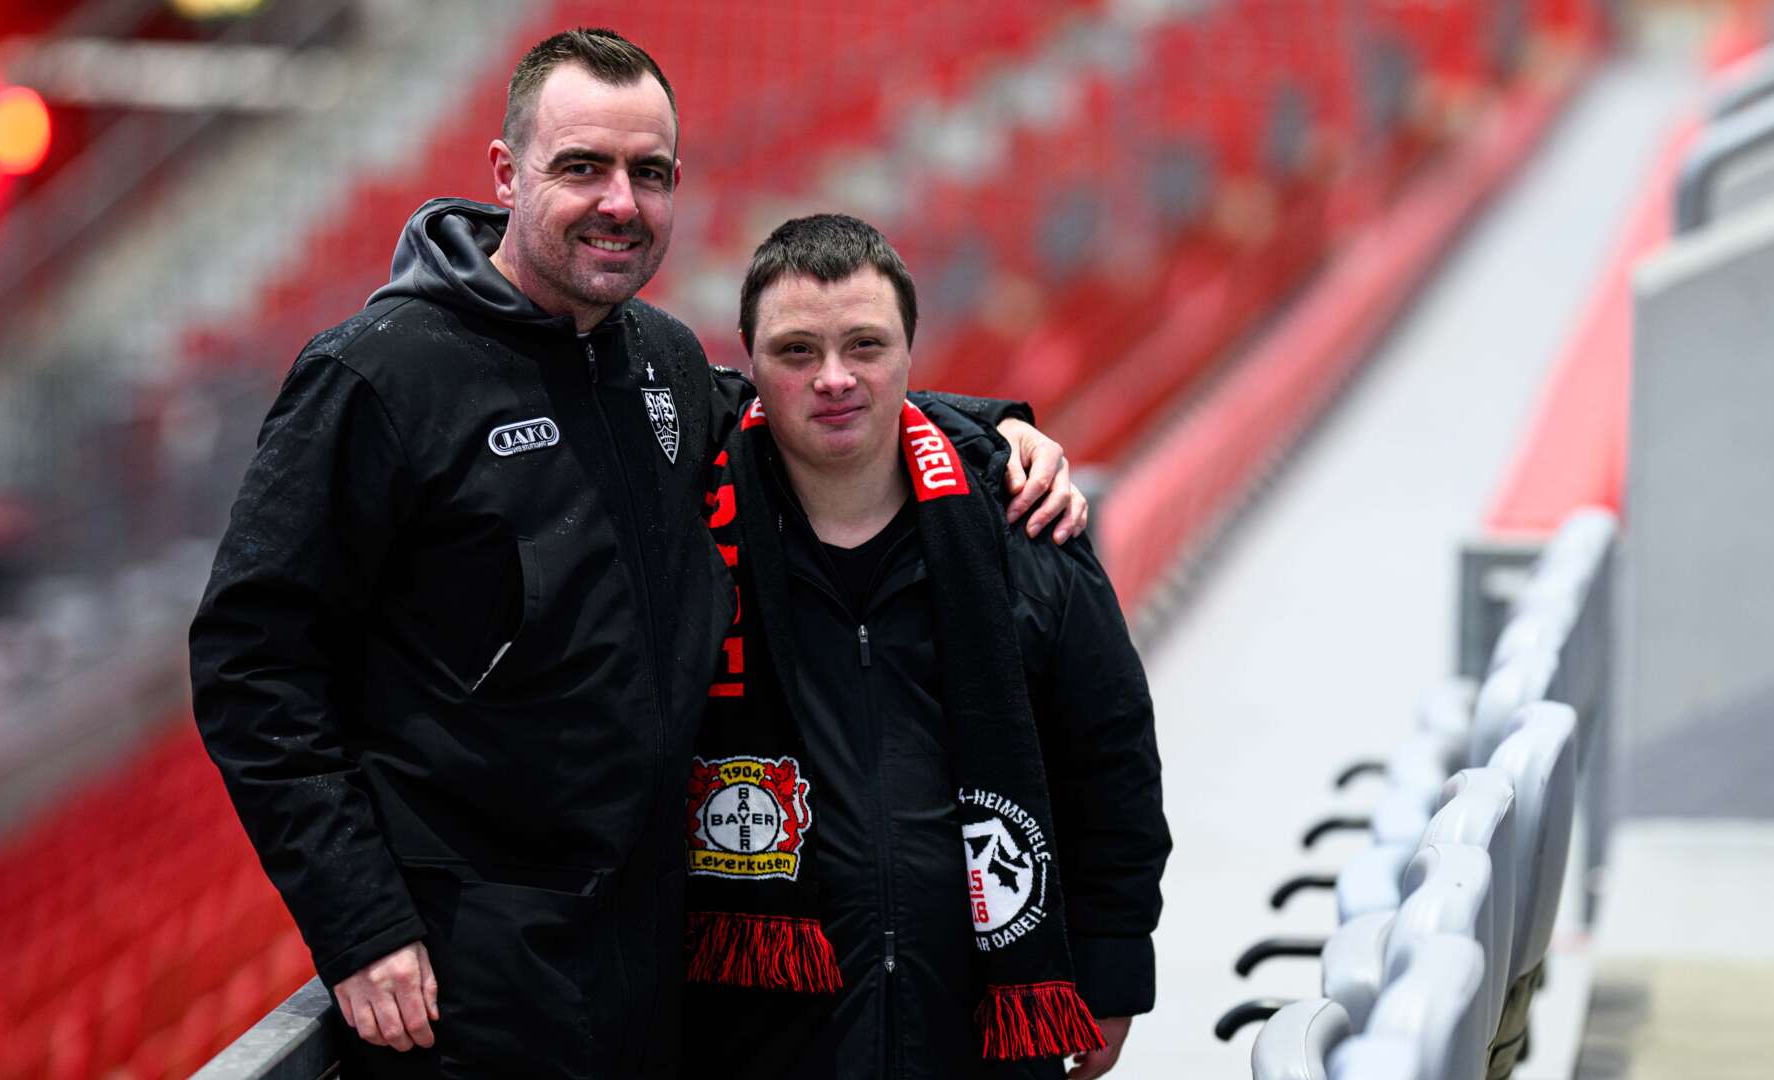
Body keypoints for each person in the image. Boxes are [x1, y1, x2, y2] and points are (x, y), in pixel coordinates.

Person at [188, 29, 1086, 1079]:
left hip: (658, 953)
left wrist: (995, 438)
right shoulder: (378, 376)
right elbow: (250, 668)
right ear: (505, 172)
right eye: (582, 168)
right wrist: (360, 925)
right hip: (474, 981)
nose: (621, 201)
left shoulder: (655, 357)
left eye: (649, 174)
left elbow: (805, 408)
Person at [681, 214, 1169, 1080]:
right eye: (797, 352)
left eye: (865, 345)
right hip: (754, 1033)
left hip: (985, 1023)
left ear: (910, 351)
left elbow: (1113, 757)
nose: (834, 378)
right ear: (747, 363)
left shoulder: (1020, 520)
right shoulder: (688, 536)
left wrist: (1113, 969)